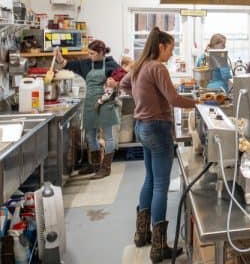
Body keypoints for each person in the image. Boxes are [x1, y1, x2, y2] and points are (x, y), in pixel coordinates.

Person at [120, 27, 200, 263]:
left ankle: (141, 235)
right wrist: (198, 103)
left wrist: (142, 101)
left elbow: (123, 85)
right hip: (157, 128)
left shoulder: (139, 66)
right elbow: (174, 99)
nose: (171, 54)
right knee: (161, 186)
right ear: (161, 46)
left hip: (142, 127)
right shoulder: (157, 67)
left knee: (150, 179)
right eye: (171, 49)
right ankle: (158, 247)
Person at [54, 40, 122, 179]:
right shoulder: (85, 63)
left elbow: (125, 75)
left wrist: (115, 82)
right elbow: (66, 64)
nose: (89, 55)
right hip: (90, 103)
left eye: (92, 53)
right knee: (90, 136)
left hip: (105, 103)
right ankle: (95, 166)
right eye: (89, 53)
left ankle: (106, 168)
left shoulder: (111, 64)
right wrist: (59, 57)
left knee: (108, 136)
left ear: (102, 53)